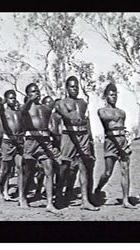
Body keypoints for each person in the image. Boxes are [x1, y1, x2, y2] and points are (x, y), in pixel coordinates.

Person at [56, 76, 98, 211]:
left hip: (83, 135)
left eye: (77, 87)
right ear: (67, 88)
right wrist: (74, 119)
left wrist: (90, 139)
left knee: (84, 166)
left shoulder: (83, 102)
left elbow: (86, 121)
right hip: (69, 135)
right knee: (65, 167)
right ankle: (58, 196)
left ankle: (85, 200)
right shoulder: (62, 103)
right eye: (72, 87)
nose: (75, 89)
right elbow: (67, 116)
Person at [94, 83, 137, 209]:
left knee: (125, 170)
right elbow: (108, 127)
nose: (114, 97)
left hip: (122, 140)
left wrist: (127, 142)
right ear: (106, 96)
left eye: (115, 95)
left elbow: (123, 128)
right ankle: (98, 189)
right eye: (111, 95)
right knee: (107, 173)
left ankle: (125, 200)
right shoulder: (102, 111)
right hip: (110, 142)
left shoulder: (122, 112)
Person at [21, 83, 60, 213]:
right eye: (32, 91)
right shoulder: (26, 109)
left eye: (37, 91)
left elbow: (54, 112)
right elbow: (22, 112)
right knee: (29, 172)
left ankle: (49, 203)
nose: (36, 93)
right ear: (28, 94)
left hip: (45, 141)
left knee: (49, 170)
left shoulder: (44, 108)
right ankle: (23, 197)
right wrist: (29, 101)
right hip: (31, 141)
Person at [0, 90, 24, 201]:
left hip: (19, 142)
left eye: (14, 98)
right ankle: (2, 190)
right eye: (11, 98)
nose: (13, 100)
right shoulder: (3, 112)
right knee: (6, 170)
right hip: (7, 142)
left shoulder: (18, 112)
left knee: (20, 168)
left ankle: (21, 194)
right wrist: (5, 99)